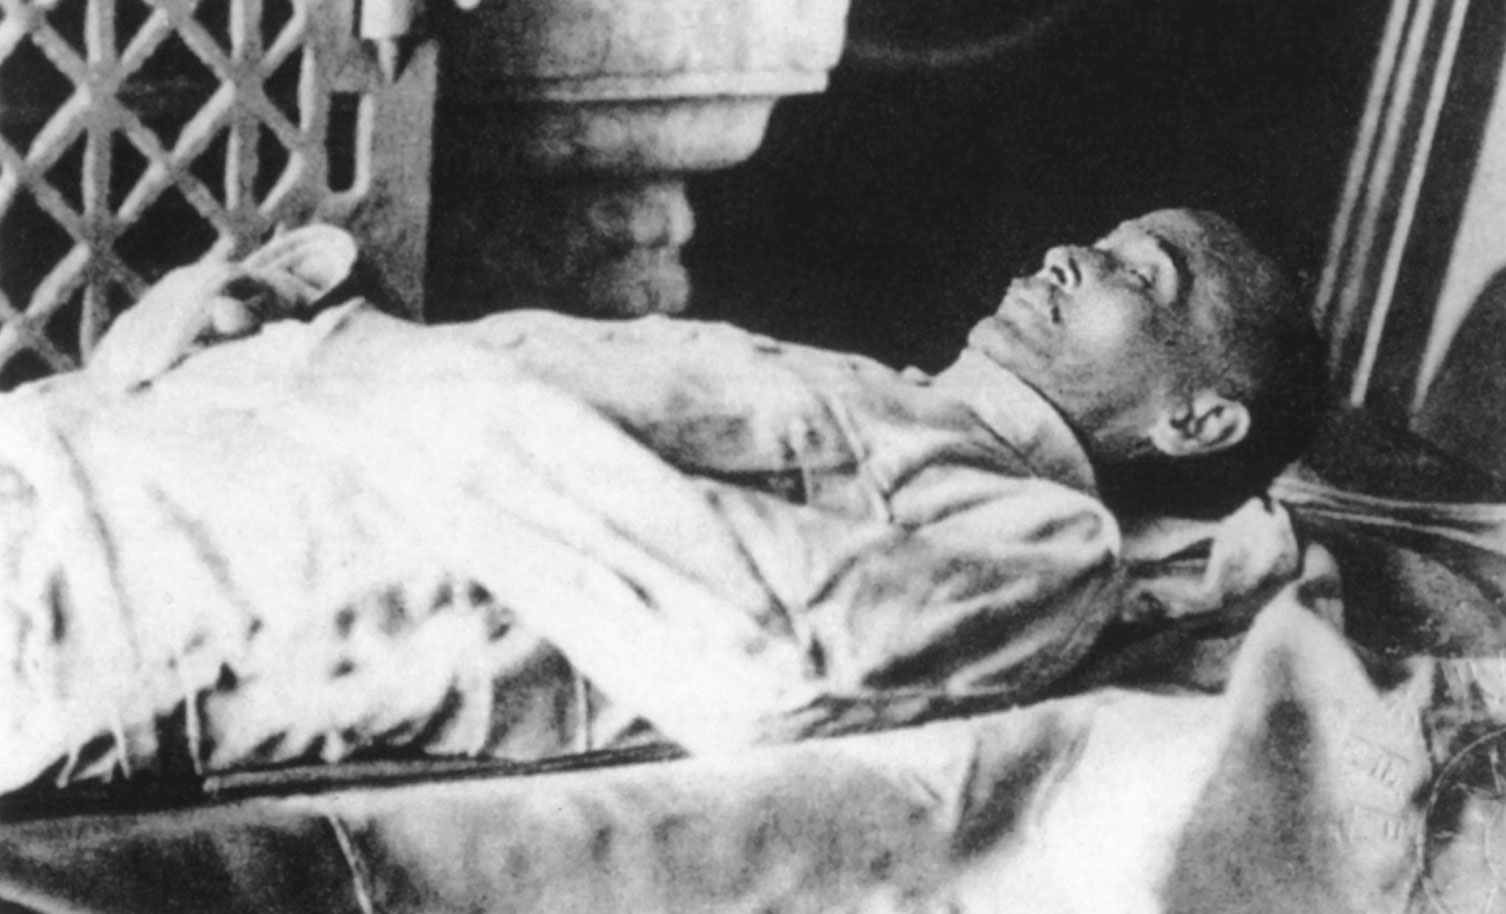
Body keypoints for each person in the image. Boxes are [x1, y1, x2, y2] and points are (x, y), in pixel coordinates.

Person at [0, 209, 1325, 795]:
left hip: (131, 589)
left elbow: (765, 651)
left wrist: (356, 363)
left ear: (1197, 421)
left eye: (1138, 275)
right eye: (1101, 238)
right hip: (86, 464)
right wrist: (287, 318)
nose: (1069, 253)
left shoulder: (1044, 545)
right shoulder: (891, 400)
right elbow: (544, 431)